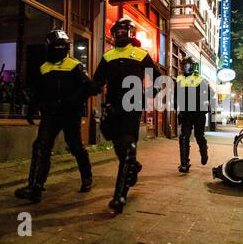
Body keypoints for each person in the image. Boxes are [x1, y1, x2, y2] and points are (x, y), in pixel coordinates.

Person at [15, 30, 97, 203]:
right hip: (50, 115)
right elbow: (38, 91)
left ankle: (87, 177)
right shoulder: (44, 67)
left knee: (75, 146)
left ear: (66, 47)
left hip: (70, 115)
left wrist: (74, 101)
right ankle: (35, 187)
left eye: (62, 46)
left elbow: (90, 87)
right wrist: (32, 108)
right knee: (41, 147)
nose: (59, 49)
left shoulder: (75, 65)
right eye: (56, 46)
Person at [93, 18, 161, 214]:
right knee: (120, 149)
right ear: (114, 34)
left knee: (128, 148)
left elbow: (157, 78)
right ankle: (134, 166)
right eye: (118, 31)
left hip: (132, 108)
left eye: (124, 30)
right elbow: (98, 81)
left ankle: (119, 197)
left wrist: (148, 95)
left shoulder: (141, 54)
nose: (121, 34)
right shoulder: (108, 56)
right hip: (113, 110)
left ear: (130, 33)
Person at [175, 56, 214, 173]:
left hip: (198, 114)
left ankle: (204, 152)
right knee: (183, 137)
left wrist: (201, 103)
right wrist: (177, 108)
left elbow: (210, 94)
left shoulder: (199, 79)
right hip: (186, 114)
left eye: (187, 65)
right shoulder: (179, 80)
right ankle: (184, 164)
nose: (185, 68)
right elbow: (176, 96)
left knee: (199, 136)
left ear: (192, 67)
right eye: (183, 66)